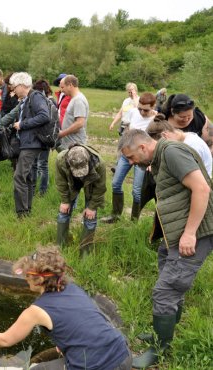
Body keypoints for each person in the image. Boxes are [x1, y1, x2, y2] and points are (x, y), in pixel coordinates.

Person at [118, 130, 213, 368]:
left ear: (142, 147)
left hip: (197, 232)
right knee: (168, 277)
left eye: (130, 157)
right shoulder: (161, 156)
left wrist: (190, 233)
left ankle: (160, 350)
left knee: (165, 291)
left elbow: (202, 189)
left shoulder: (171, 152)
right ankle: (163, 333)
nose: (130, 163)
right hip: (177, 232)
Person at [0, 245, 132, 370]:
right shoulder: (73, 288)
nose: (25, 279)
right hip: (124, 355)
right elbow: (87, 321)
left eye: (27, 276)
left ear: (38, 280)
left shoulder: (36, 311)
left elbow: (6, 339)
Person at [102, 92, 157, 223]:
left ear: (153, 106)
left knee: (137, 191)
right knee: (115, 183)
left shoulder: (156, 119)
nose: (142, 112)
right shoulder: (133, 112)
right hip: (127, 155)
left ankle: (134, 221)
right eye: (140, 108)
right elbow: (126, 129)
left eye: (146, 110)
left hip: (142, 158)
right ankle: (115, 215)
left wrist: (151, 162)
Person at [10, 72, 50, 218]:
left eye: (14, 87)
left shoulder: (36, 96)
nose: (13, 90)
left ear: (22, 85)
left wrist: (22, 124)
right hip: (27, 142)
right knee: (26, 177)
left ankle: (21, 214)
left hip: (32, 143)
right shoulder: (26, 99)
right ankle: (27, 210)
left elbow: (44, 116)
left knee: (19, 177)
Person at [55, 145, 106, 253]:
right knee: (63, 212)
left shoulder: (99, 163)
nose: (79, 173)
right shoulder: (61, 160)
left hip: (91, 182)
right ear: (68, 162)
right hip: (72, 184)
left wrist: (92, 207)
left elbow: (100, 188)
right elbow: (61, 182)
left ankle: (85, 253)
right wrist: (65, 201)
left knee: (91, 217)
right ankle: (60, 247)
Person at [147, 115, 212, 177]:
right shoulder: (186, 137)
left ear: (165, 135)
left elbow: (187, 173)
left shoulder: (190, 145)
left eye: (160, 145)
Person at [30, 79, 55, 196]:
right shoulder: (46, 100)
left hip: (45, 137)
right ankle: (34, 189)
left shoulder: (50, 102)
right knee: (35, 164)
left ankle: (43, 191)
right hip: (38, 136)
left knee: (42, 164)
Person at [57, 75, 89, 152]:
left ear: (70, 85)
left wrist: (62, 134)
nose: (61, 90)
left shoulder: (78, 100)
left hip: (75, 146)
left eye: (63, 87)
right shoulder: (74, 99)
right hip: (70, 145)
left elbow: (80, 123)